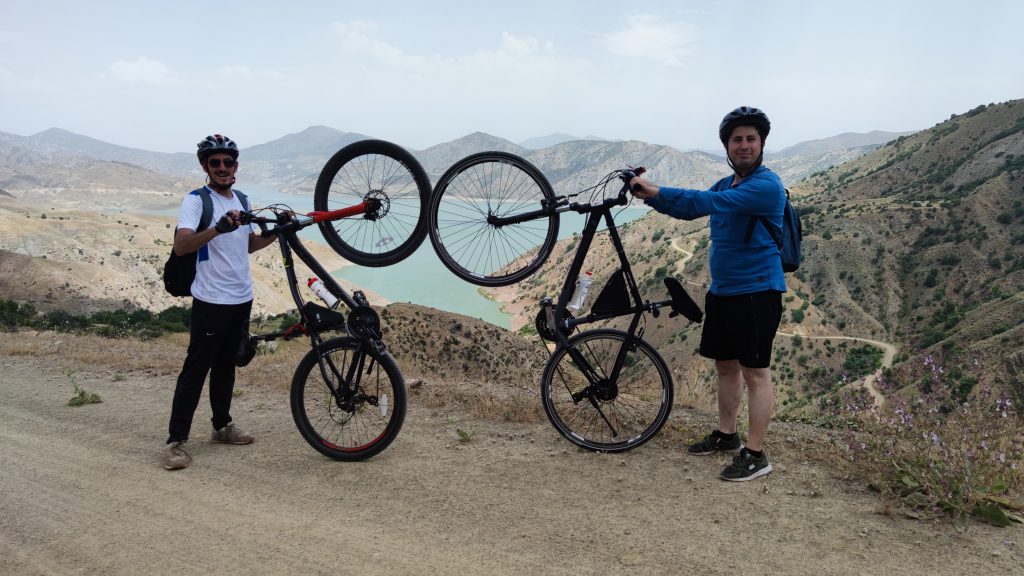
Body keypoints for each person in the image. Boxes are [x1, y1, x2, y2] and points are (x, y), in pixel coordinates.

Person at [630, 107, 785, 481]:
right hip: (723, 292)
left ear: (761, 144)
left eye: (750, 138)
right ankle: (727, 436)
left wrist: (656, 189)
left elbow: (705, 203)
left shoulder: (766, 186)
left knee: (755, 374)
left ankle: (756, 455)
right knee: (726, 367)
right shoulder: (725, 184)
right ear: (727, 147)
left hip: (757, 292)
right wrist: (648, 195)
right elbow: (689, 208)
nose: (744, 145)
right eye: (737, 139)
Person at [163, 134, 279, 471]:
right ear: (205, 166)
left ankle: (221, 426)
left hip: (241, 296)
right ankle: (175, 442)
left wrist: (275, 233)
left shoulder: (243, 199)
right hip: (211, 299)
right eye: (215, 162)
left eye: (228, 162)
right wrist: (217, 228)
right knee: (196, 368)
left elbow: (247, 245)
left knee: (227, 364)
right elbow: (182, 246)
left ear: (236, 166)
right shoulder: (196, 201)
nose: (223, 167)